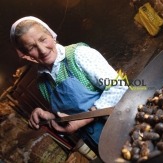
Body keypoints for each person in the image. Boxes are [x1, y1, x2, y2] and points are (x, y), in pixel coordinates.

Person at [10, 16, 128, 156]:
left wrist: (83, 120)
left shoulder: (78, 55)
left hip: (124, 130)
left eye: (43, 39)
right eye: (32, 47)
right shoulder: (42, 83)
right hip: (99, 145)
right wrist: (49, 116)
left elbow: (119, 87)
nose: (42, 50)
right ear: (26, 54)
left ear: (51, 35)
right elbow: (67, 115)